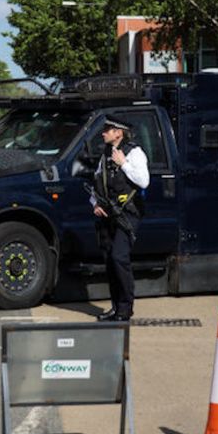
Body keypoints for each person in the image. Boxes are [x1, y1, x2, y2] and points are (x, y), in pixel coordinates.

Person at [91, 116, 150, 322]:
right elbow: (97, 182)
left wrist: (123, 163)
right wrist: (95, 204)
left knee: (119, 258)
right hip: (108, 216)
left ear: (119, 133)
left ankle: (126, 308)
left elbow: (144, 181)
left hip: (128, 216)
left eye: (108, 129)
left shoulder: (134, 153)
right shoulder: (105, 155)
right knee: (110, 262)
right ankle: (116, 307)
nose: (103, 132)